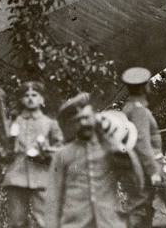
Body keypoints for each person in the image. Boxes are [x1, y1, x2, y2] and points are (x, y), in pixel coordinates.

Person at [45, 92, 127, 228]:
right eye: (77, 120)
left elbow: (135, 178)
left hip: (109, 223)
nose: (83, 123)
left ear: (95, 118)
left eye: (86, 117)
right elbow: (53, 198)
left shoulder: (110, 149)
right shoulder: (63, 155)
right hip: (74, 223)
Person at [2, 81, 63, 228]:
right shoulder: (13, 122)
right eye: (26, 95)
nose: (30, 98)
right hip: (16, 175)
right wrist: (5, 151)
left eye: (34, 95)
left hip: (42, 176)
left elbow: (61, 150)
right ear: (22, 100)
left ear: (42, 99)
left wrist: (47, 152)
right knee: (17, 222)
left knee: (45, 221)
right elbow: (2, 149)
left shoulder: (50, 123)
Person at [121, 67, 166, 227]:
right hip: (144, 170)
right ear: (142, 87)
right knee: (141, 212)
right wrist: (153, 170)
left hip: (136, 168)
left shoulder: (129, 108)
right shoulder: (139, 111)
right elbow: (141, 142)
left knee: (143, 211)